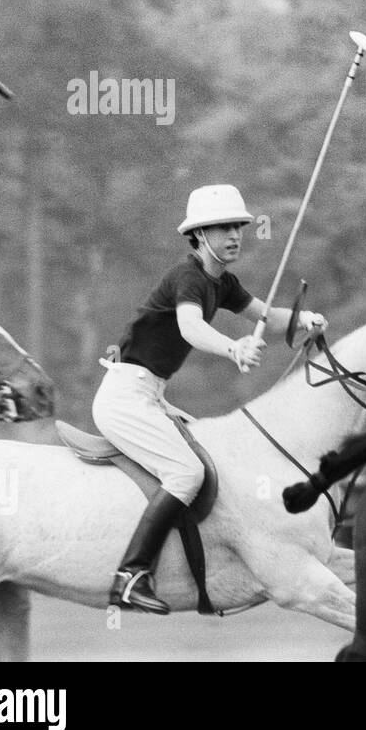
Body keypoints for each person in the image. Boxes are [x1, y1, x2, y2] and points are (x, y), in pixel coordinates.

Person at [94, 184, 327, 614]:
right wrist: (234, 348)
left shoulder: (222, 282)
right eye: (222, 229)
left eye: (238, 227)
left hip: (150, 395)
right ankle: (130, 576)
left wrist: (304, 319)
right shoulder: (188, 277)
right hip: (125, 395)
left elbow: (268, 317)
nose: (235, 235)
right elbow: (190, 328)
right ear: (199, 236)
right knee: (186, 473)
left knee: (210, 460)